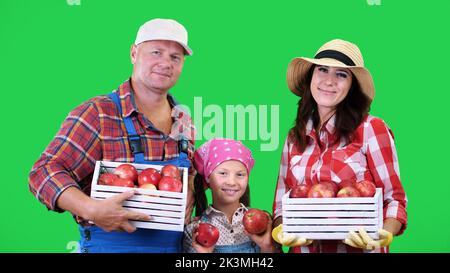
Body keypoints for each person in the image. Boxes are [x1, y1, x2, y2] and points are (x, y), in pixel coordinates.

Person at [28, 18, 196, 253]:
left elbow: (186, 177)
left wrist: (190, 191)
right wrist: (91, 209)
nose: (165, 63)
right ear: (134, 53)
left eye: (175, 57)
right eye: (156, 52)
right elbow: (43, 172)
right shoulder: (98, 113)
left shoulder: (184, 121)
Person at [271, 39, 408, 253]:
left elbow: (395, 199)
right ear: (310, 77)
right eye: (322, 70)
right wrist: (282, 229)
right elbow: (282, 203)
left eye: (341, 74)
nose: (329, 80)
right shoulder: (294, 138)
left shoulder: (372, 129)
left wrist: (383, 234)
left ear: (352, 86)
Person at [183, 138, 279, 253]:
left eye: (240, 174)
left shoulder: (264, 223)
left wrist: (267, 247)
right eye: (223, 173)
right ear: (208, 177)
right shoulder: (194, 231)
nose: (232, 182)